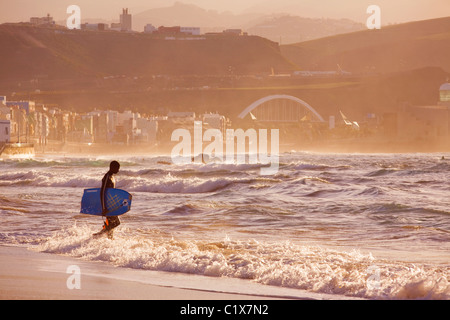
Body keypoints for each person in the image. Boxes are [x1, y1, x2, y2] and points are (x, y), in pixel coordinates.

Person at [95, 160, 121, 239]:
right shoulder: (107, 177)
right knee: (116, 222)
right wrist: (103, 207)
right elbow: (102, 192)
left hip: (111, 204)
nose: (118, 170)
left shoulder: (111, 177)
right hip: (107, 205)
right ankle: (100, 234)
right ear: (112, 167)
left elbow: (111, 193)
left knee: (111, 223)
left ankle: (110, 239)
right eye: (117, 168)